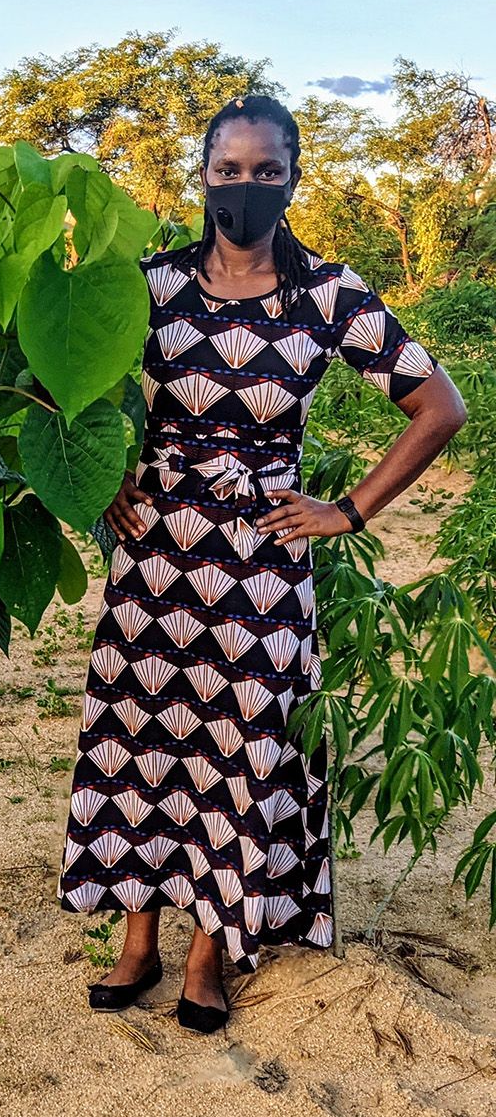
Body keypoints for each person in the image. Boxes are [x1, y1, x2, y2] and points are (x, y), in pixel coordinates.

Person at [56, 94, 468, 1034]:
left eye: (265, 171)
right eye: (228, 170)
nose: (245, 188)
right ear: (202, 175)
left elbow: (440, 406)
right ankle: (135, 945)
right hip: (154, 553)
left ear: (292, 177)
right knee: (143, 740)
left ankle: (210, 957)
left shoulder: (327, 295)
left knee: (237, 750)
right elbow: (69, 380)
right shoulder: (149, 284)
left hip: (259, 562)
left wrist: (348, 510)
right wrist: (104, 476)